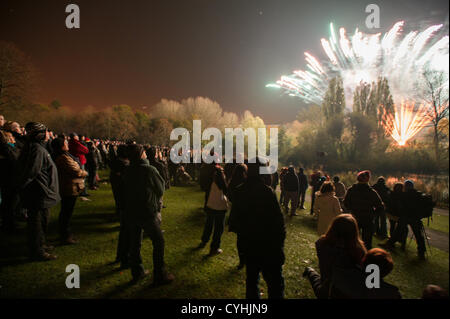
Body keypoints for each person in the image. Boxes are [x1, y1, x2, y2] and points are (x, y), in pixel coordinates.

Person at [231, 158, 286, 299]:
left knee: (252, 282)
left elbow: (235, 221)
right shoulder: (267, 192)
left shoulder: (239, 191)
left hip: (249, 245)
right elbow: (278, 223)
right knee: (275, 285)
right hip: (269, 246)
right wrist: (279, 244)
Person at [122, 144, 174, 284]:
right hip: (146, 211)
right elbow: (160, 188)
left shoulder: (127, 170)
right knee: (159, 241)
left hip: (131, 211)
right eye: (144, 152)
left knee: (135, 243)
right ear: (141, 154)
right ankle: (160, 274)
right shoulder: (149, 170)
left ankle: (137, 272)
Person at [15, 122, 60, 261]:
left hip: (42, 191)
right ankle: (37, 250)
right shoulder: (36, 149)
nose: (48, 134)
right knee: (37, 223)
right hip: (39, 192)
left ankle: (41, 244)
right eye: (46, 131)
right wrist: (22, 187)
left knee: (43, 221)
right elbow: (31, 171)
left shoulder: (38, 147)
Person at [303, 214, 367, 299]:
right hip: (341, 291)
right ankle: (310, 271)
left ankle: (309, 271)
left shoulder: (321, 243)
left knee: (318, 280)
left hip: (327, 287)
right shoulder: (358, 251)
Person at [51, 137, 88, 244]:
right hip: (68, 187)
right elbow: (75, 171)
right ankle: (65, 235)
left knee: (66, 212)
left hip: (68, 186)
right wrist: (84, 173)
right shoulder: (63, 158)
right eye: (65, 143)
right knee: (66, 213)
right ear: (61, 146)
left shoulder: (63, 156)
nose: (67, 144)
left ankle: (64, 234)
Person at [382, 180, 427, 259]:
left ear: (405, 187)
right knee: (419, 236)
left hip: (405, 217)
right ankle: (421, 252)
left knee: (397, 231)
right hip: (416, 218)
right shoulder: (418, 194)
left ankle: (390, 244)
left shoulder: (403, 195)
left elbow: (399, 205)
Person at [343, 170, 384, 250]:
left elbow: (346, 203)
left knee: (352, 239)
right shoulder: (371, 192)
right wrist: (374, 214)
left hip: (355, 217)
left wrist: (351, 209)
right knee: (367, 242)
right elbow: (380, 206)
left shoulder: (351, 190)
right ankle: (366, 257)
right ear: (367, 179)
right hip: (368, 218)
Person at [199, 165, 229, 255]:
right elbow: (225, 190)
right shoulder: (220, 178)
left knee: (209, 223)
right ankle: (214, 247)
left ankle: (204, 240)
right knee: (218, 228)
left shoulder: (209, 177)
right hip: (219, 206)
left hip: (210, 204)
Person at [109, 144, 130, 267]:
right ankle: (125, 259)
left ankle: (121, 256)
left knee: (124, 230)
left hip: (121, 200)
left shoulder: (116, 164)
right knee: (128, 231)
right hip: (126, 200)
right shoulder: (124, 165)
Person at [228, 163, 248, 269]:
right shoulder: (246, 183)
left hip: (237, 213)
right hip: (246, 214)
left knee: (240, 239)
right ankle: (247, 259)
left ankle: (242, 260)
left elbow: (229, 194)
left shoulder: (232, 182)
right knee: (247, 238)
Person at [0, 130, 20, 232]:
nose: (14, 139)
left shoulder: (9, 148)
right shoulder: (7, 149)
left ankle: (9, 223)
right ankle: (10, 225)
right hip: (9, 179)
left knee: (9, 203)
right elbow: (14, 162)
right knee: (10, 204)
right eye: (12, 137)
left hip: (8, 179)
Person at [386, 183, 407, 248]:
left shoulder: (391, 193)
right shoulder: (403, 195)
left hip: (393, 213)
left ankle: (392, 241)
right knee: (402, 229)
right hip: (399, 214)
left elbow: (388, 202)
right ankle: (401, 242)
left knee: (393, 227)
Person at [68, 133, 90, 197]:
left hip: (74, 160)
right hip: (80, 160)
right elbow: (86, 150)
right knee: (82, 176)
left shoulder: (69, 143)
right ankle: (82, 191)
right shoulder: (76, 143)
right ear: (75, 137)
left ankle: (79, 190)